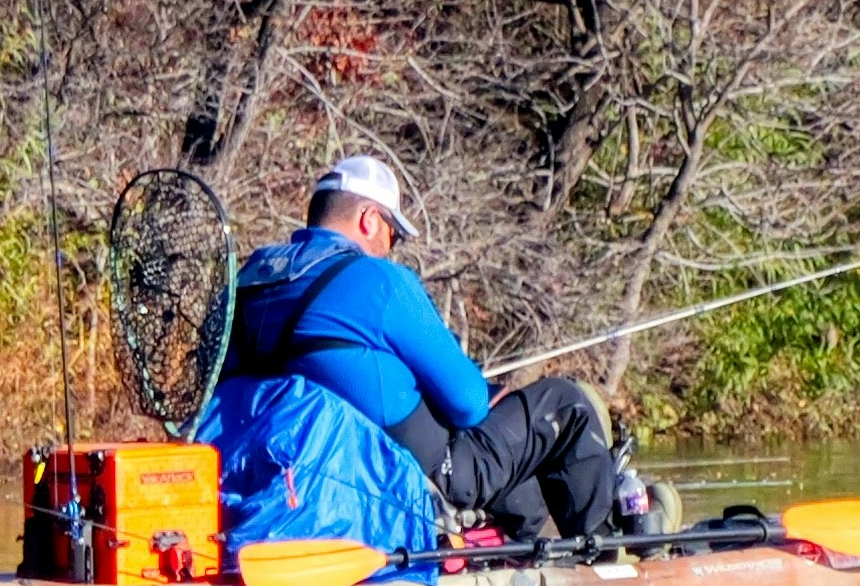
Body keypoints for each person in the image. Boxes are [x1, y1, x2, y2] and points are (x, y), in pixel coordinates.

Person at [196, 153, 653, 557]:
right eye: (392, 233)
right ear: (369, 220)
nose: (390, 247)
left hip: (286, 480)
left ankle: (513, 555)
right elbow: (469, 403)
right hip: (413, 479)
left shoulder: (248, 284)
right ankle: (605, 562)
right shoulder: (382, 283)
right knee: (566, 403)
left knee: (512, 463)